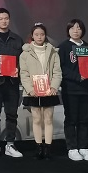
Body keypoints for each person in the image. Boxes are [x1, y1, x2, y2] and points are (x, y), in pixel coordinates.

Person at [0, 8, 24, 159]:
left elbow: (23, 60)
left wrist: (18, 69)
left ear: (9, 20)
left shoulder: (17, 39)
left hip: (12, 83)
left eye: (6, 18)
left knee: (12, 114)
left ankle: (10, 144)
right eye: (0, 19)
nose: (4, 21)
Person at [19, 23, 62, 160]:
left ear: (45, 35)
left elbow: (57, 72)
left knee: (48, 119)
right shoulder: (25, 53)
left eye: (42, 34)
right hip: (33, 91)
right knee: (36, 119)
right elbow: (24, 74)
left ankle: (48, 148)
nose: (39, 37)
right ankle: (38, 148)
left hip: (49, 90)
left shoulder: (53, 51)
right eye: (36, 34)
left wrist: (54, 87)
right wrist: (30, 89)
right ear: (32, 36)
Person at [58, 19, 88, 161]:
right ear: (68, 30)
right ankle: (72, 148)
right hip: (70, 89)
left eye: (79, 28)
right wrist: (76, 77)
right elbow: (61, 68)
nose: (76, 30)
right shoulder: (63, 47)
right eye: (73, 28)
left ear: (83, 30)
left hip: (86, 88)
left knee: (83, 120)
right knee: (71, 119)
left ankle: (84, 148)